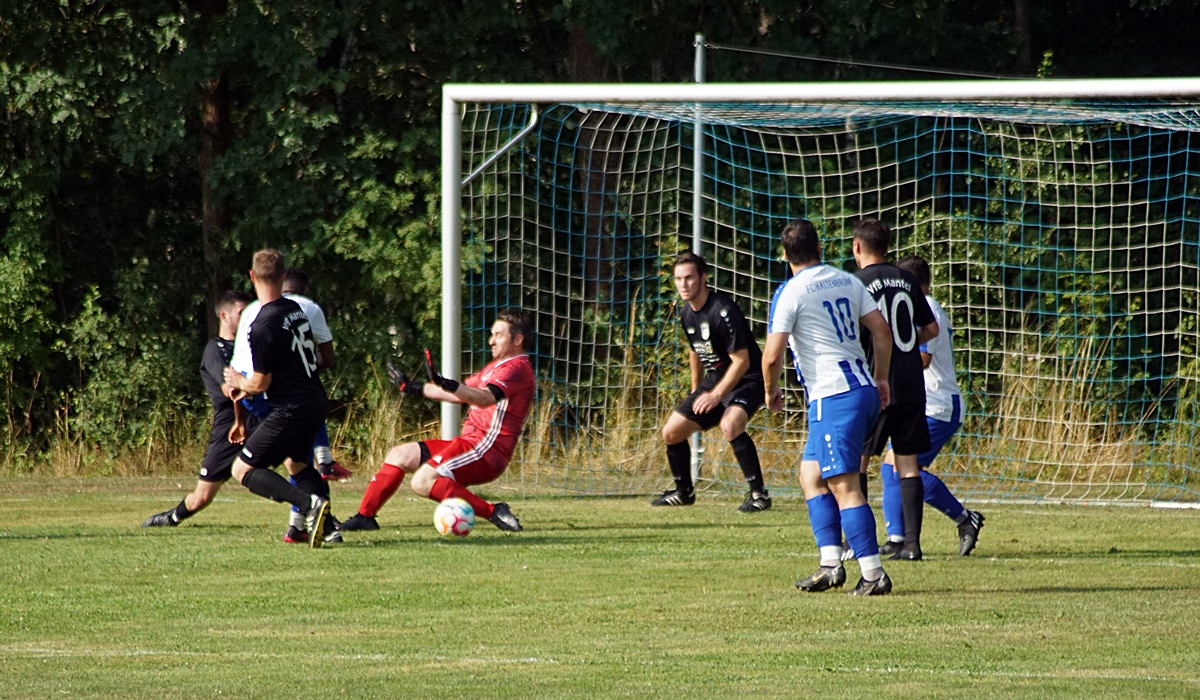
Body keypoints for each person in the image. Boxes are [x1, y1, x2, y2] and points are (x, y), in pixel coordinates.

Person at [763, 219, 896, 596]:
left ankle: (873, 574)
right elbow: (882, 332)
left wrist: (770, 392)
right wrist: (882, 378)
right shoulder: (847, 280)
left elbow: (772, 356)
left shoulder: (790, 293)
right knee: (810, 475)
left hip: (833, 398)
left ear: (786, 254)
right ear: (819, 248)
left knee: (844, 485)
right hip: (862, 389)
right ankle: (830, 565)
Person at [338, 308, 536, 533]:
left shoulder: (517, 368)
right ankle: (365, 517)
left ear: (518, 339)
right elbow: (460, 393)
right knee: (400, 455)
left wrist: (448, 383)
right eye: (491, 334)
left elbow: (484, 398)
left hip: (487, 449)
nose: (491, 341)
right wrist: (412, 387)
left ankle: (493, 511)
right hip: (471, 443)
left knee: (422, 482)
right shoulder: (496, 367)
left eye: (499, 335)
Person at [221, 249, 332, 548]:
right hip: (314, 399)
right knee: (296, 463)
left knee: (242, 469)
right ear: (283, 277)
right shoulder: (295, 310)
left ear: (252, 276)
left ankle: (309, 506)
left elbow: (259, 382)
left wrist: (238, 380)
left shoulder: (262, 325)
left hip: (292, 407)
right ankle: (328, 527)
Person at [875, 255, 985, 556]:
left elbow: (923, 358)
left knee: (905, 469)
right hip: (924, 403)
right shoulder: (922, 307)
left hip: (937, 404)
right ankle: (897, 538)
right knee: (891, 468)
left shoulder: (928, 309)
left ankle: (965, 518)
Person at [651, 251, 771, 512]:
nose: (684, 284)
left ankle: (759, 494)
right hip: (717, 378)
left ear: (703, 278)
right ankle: (684, 492)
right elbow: (695, 350)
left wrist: (715, 396)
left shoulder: (723, 311)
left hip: (749, 379)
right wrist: (696, 391)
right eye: (679, 279)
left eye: (690, 278)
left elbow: (742, 362)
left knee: (730, 424)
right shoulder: (686, 312)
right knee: (671, 432)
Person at [851, 218, 940, 562]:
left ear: (858, 247)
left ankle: (860, 541)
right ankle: (913, 545)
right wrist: (906, 344)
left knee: (858, 458)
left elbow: (857, 333)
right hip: (912, 383)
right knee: (908, 463)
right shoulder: (906, 278)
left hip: (879, 381)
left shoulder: (856, 282)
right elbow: (930, 328)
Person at [142, 290, 257, 527]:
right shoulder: (215, 350)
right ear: (224, 316)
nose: (248, 317)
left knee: (295, 459)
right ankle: (171, 518)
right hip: (230, 426)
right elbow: (230, 391)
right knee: (201, 497)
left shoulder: (252, 346)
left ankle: (314, 513)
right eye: (242, 312)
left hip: (258, 416)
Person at [282, 268, 351, 481]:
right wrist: (306, 367)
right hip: (294, 387)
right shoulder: (310, 308)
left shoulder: (256, 308)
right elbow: (328, 358)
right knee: (298, 452)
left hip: (257, 385)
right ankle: (324, 461)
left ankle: (324, 461)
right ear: (305, 289)